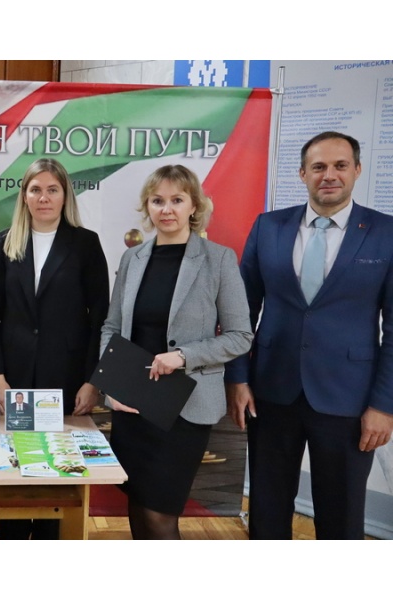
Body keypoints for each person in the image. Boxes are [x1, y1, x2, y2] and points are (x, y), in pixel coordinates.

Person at [225, 131, 393, 539]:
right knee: (267, 509)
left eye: (340, 165)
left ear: (357, 170)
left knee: (341, 516)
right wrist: (237, 377)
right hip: (270, 392)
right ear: (303, 174)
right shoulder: (268, 227)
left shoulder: (385, 232)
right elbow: (240, 311)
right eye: (318, 166)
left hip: (348, 398)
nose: (329, 175)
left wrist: (384, 405)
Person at [100, 164, 252, 539]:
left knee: (160, 513)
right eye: (157, 201)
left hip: (186, 408)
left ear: (193, 205)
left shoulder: (218, 259)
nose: (166, 209)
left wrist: (184, 355)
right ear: (147, 207)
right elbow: (111, 328)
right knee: (138, 501)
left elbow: (240, 336)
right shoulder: (132, 259)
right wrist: (111, 387)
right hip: (134, 404)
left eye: (177, 200)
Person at [0, 157, 109, 539]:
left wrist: (93, 381)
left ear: (64, 195)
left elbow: (100, 319)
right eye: (35, 189)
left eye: (52, 189)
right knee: (12, 471)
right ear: (24, 195)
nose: (44, 197)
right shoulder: (6, 242)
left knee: (57, 473)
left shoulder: (85, 244)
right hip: (15, 378)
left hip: (66, 378)